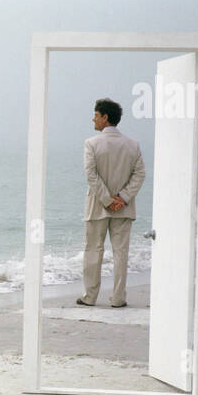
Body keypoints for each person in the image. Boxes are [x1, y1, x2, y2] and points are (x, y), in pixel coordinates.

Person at [78, 98, 145, 308]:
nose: (93, 119)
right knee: (120, 253)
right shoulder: (132, 145)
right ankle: (118, 298)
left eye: (96, 115)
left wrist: (107, 200)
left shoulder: (91, 143)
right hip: (123, 207)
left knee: (93, 251)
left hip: (98, 206)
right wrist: (122, 198)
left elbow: (91, 175)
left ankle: (90, 296)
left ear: (105, 117)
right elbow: (139, 174)